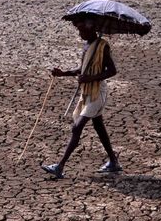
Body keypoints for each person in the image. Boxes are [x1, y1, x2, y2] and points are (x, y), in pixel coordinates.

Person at [42, 18, 121, 179]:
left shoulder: (102, 46)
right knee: (99, 126)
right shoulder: (87, 46)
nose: (79, 34)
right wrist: (63, 73)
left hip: (97, 92)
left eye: (82, 31)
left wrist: (91, 78)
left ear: (92, 29)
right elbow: (82, 69)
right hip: (88, 91)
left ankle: (60, 166)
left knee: (77, 127)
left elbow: (112, 71)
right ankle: (113, 161)